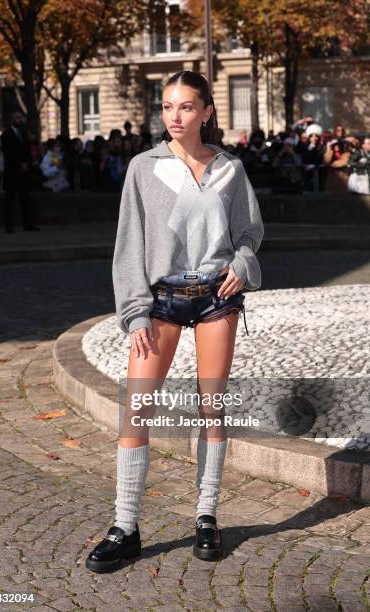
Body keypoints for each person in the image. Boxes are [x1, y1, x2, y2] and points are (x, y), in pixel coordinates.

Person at [85, 70, 264, 573]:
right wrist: (134, 311)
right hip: (160, 300)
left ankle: (207, 516)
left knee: (212, 408)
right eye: (168, 107)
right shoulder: (144, 167)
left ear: (207, 111)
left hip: (215, 298)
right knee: (136, 410)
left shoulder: (230, 169)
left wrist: (242, 266)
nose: (175, 116)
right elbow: (128, 246)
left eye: (186, 107)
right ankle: (125, 527)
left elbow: (250, 233)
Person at [1, 111, 39, 233]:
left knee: (25, 198)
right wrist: (20, 163)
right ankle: (9, 225)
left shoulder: (24, 133)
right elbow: (9, 153)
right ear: (12, 120)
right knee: (10, 199)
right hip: (13, 171)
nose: (19, 120)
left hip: (24, 171)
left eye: (21, 117)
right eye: (17, 118)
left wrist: (29, 161)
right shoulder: (7, 134)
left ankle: (28, 224)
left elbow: (28, 149)